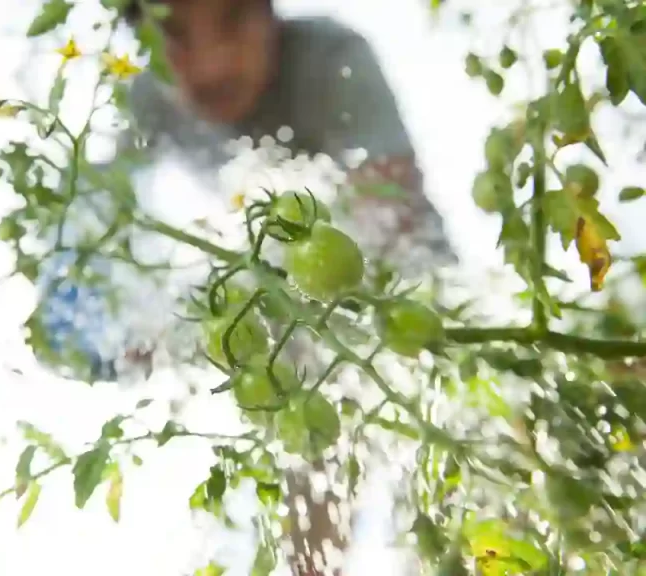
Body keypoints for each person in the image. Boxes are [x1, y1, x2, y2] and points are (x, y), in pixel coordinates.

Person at [34, 1, 456, 574]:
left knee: (456, 497)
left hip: (420, 307)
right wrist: (107, 325)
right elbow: (86, 224)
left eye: (231, 20)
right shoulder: (147, 99)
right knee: (308, 479)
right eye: (175, 37)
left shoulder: (332, 56)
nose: (207, 66)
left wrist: (228, 300)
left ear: (270, 12)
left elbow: (385, 204)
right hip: (292, 334)